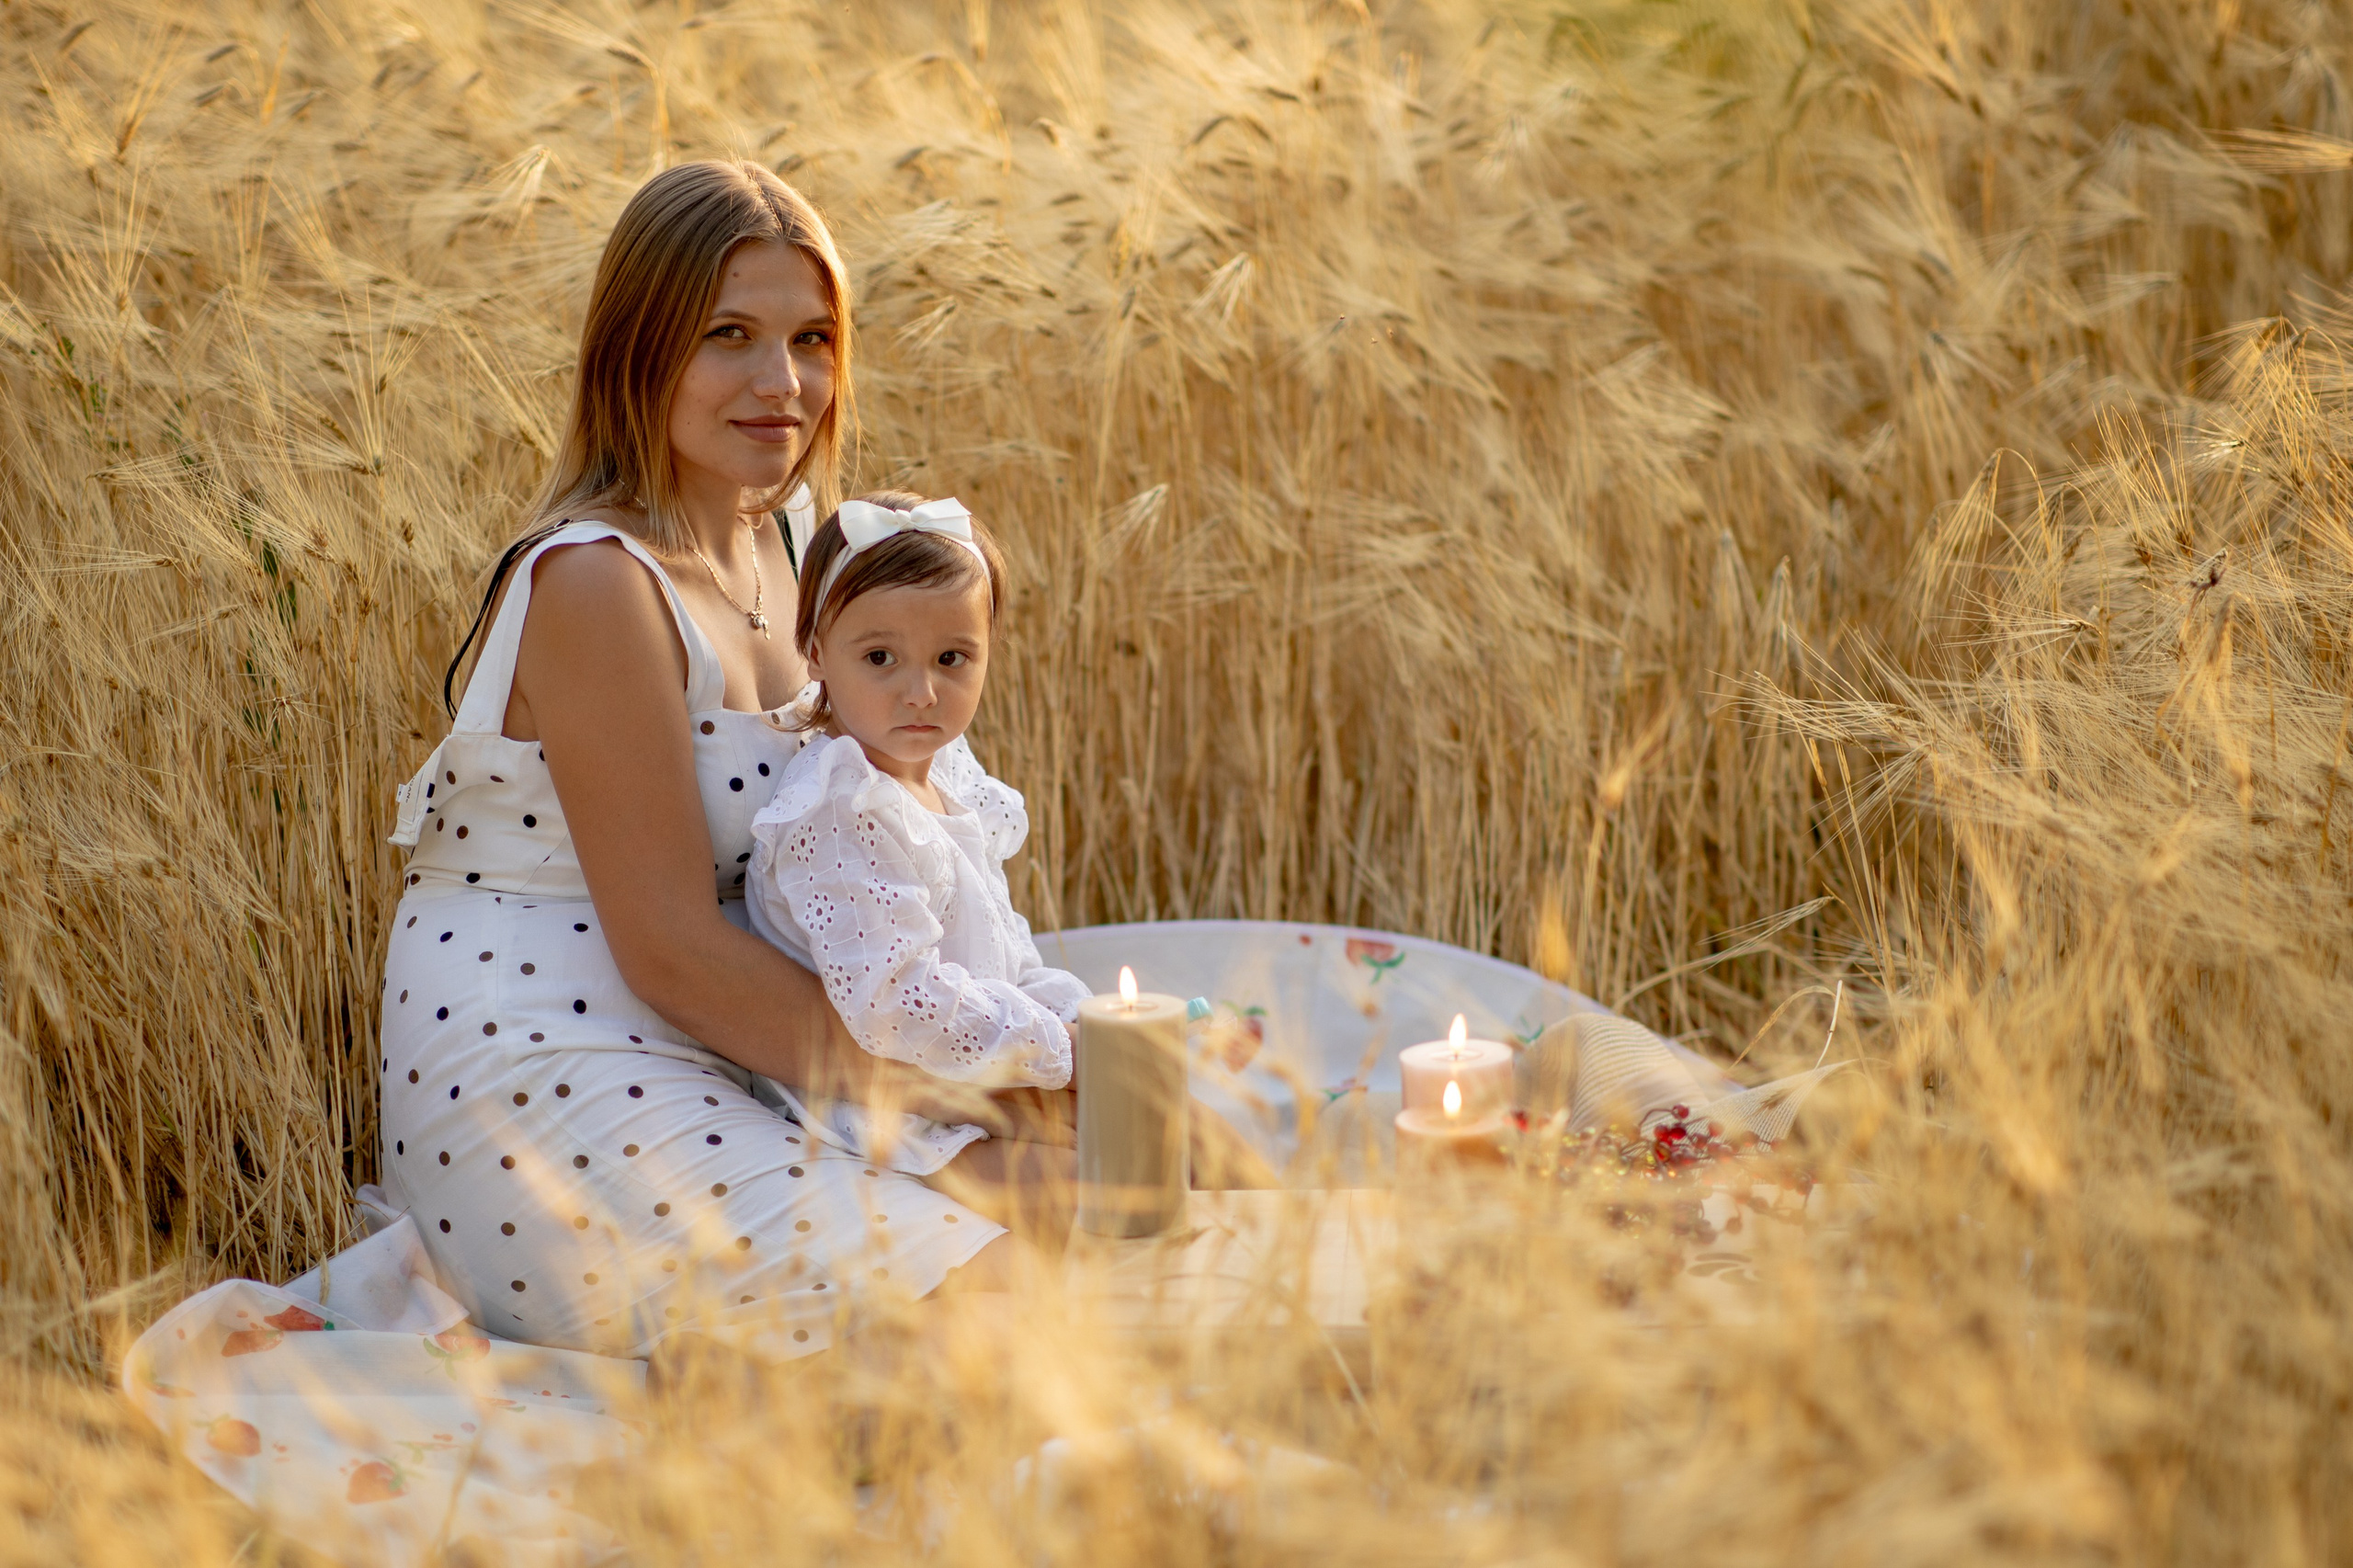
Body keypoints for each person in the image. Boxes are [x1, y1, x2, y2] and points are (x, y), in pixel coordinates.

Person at [376, 159, 1068, 1366]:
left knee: (1077, 1195)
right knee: (990, 1293)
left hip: (736, 1053)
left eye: (811, 338)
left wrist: (1000, 1046)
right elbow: (674, 950)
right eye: (728, 336)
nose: (782, 381)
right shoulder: (595, 580)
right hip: (546, 1071)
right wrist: (955, 1088)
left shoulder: (801, 544)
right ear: (637, 348)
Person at [744, 492, 1090, 1190]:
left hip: (969, 1069)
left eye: (952, 658)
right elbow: (893, 998)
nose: (922, 692)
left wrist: (1093, 1025)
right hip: (887, 1104)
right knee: (1102, 1190)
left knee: (1185, 1132)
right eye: (880, 657)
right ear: (814, 651)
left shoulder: (948, 777)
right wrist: (1056, 1048)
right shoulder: (842, 807)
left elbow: (1005, 953)